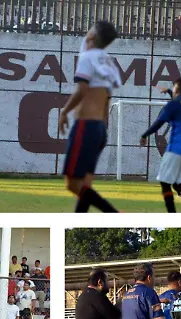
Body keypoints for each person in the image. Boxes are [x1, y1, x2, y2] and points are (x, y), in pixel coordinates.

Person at [59, 21, 122, 212]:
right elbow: (108, 97)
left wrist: (64, 111)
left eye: (90, 30)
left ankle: (116, 216)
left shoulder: (87, 58)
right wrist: (103, 129)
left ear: (92, 36)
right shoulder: (107, 61)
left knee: (72, 183)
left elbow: (82, 89)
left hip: (85, 126)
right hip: (99, 128)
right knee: (85, 185)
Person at [139, 78, 181, 211]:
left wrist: (144, 135)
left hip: (176, 149)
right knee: (178, 184)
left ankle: (173, 212)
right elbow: (180, 103)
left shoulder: (173, 105)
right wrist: (169, 91)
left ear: (176, 90)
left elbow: (159, 122)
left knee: (164, 182)